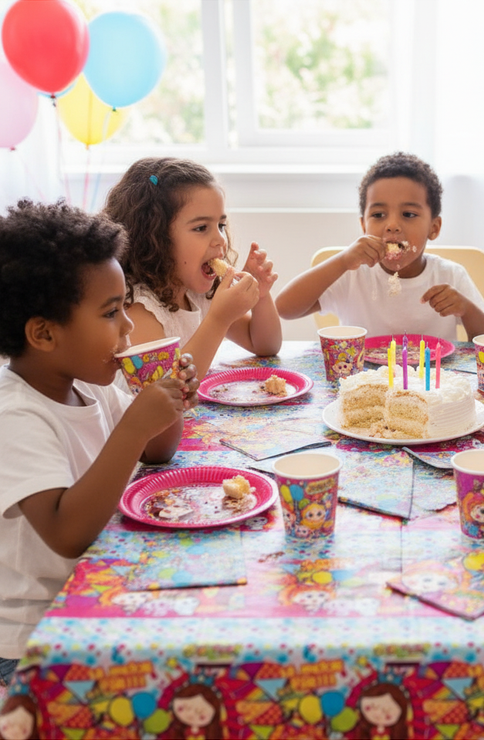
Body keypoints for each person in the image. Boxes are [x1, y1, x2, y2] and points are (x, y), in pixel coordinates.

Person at [0, 199, 199, 686]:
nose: (128, 326)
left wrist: (167, 400)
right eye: (112, 313)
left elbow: (157, 452)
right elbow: (68, 534)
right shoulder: (15, 416)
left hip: (100, 587)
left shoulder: (90, 381)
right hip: (35, 636)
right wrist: (133, 425)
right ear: (44, 334)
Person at [274, 151, 484, 341]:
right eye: (378, 215)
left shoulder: (450, 275)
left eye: (408, 214)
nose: (392, 225)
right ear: (363, 225)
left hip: (431, 386)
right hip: (362, 386)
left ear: (434, 227)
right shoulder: (351, 275)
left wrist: (466, 309)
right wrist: (342, 262)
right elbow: (284, 308)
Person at [103, 157, 282, 381]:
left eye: (221, 225)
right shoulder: (140, 311)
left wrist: (261, 297)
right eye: (201, 228)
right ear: (155, 237)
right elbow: (167, 393)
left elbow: (265, 345)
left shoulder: (199, 294)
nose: (220, 240)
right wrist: (218, 320)